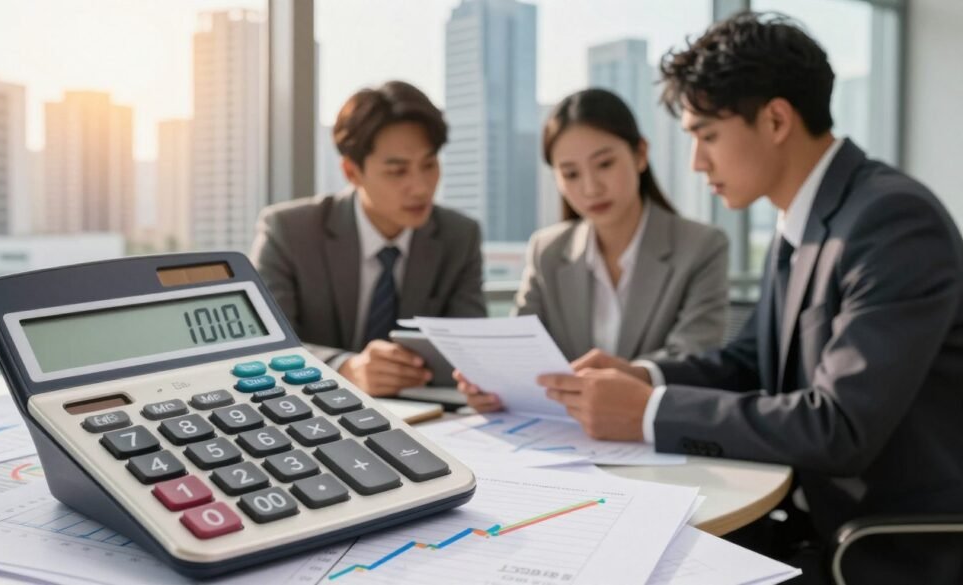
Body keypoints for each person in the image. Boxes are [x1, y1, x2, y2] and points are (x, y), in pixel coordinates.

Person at [535, 12, 963, 584]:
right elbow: (749, 363)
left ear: (777, 119)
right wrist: (645, 377)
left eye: (707, 136)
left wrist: (647, 415)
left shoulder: (892, 220)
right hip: (808, 522)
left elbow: (838, 427)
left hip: (880, 547)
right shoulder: (805, 220)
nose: (696, 162)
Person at [458, 88, 729, 413]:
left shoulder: (701, 247)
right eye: (570, 173)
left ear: (640, 154)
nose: (590, 187)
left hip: (652, 431)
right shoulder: (547, 251)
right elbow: (519, 353)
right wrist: (491, 384)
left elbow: (693, 359)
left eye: (604, 164)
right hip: (559, 436)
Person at [250, 81, 486, 397]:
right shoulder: (289, 232)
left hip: (426, 416)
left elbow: (472, 351)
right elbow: (261, 347)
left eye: (429, 165)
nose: (421, 186)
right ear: (352, 172)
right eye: (397, 171)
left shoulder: (459, 236)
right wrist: (346, 369)